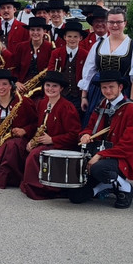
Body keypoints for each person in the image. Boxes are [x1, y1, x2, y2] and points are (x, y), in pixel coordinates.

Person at [69, 71, 133, 209]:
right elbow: (90, 127)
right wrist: (85, 135)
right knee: (75, 196)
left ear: (120, 87)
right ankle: (104, 186)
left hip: (119, 159)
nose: (108, 91)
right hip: (99, 154)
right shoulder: (102, 103)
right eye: (104, 88)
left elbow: (128, 146)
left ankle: (125, 188)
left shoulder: (132, 110)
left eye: (111, 87)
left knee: (99, 169)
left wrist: (100, 155)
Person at [19, 70, 83, 200]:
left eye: (55, 86)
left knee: (35, 154)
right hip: (46, 143)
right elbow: (39, 126)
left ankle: (42, 189)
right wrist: (33, 140)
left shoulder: (67, 107)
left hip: (63, 146)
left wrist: (52, 139)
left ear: (61, 88)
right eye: (48, 85)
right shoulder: (42, 103)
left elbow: (74, 135)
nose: (50, 89)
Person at [78, 8, 133, 127]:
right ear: (107, 23)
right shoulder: (98, 45)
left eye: (118, 22)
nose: (115, 25)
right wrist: (84, 96)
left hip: (122, 93)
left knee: (118, 126)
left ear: (125, 23)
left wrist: (132, 101)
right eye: (111, 22)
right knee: (96, 125)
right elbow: (88, 72)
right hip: (98, 92)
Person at [0, 69, 35, 189]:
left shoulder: (23, 102)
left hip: (18, 143)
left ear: (11, 85)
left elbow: (36, 123)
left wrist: (24, 130)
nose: (1, 87)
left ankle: (8, 177)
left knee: (11, 145)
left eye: (4, 84)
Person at [48, 20, 87, 107]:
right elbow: (51, 71)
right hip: (61, 94)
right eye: (69, 36)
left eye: (75, 37)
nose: (72, 39)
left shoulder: (85, 54)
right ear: (64, 37)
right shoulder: (56, 53)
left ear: (80, 38)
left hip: (77, 95)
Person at [12, 16, 54, 82]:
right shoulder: (20, 47)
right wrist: (17, 82)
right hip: (23, 86)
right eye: (32, 30)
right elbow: (14, 68)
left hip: (44, 86)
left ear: (44, 31)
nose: (35, 33)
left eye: (38, 30)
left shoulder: (50, 48)